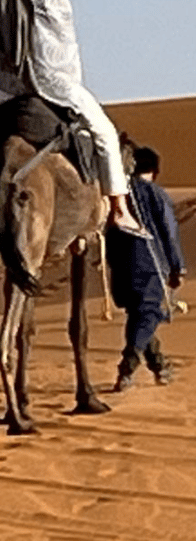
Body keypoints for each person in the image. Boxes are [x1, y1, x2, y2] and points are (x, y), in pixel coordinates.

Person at [0, 0, 143, 234]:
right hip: (56, 87)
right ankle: (119, 208)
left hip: (6, 91)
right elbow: (65, 50)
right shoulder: (54, 1)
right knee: (104, 133)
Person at [107, 146, 186, 391]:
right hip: (151, 265)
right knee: (147, 314)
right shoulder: (155, 194)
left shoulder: (118, 195)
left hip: (122, 269)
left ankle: (159, 366)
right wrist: (177, 267)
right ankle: (127, 368)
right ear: (154, 170)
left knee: (140, 316)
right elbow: (169, 232)